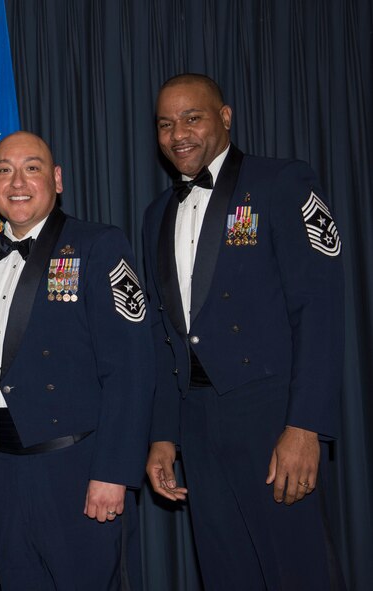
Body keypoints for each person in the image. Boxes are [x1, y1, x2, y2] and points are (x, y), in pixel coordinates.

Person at [143, 73, 345, 589]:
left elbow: (318, 308)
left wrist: (306, 427)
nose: (178, 133)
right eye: (166, 124)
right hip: (198, 425)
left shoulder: (282, 182)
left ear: (225, 116)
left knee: (295, 573)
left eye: (193, 117)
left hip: (272, 420)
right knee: (226, 574)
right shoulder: (156, 215)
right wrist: (164, 435)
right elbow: (165, 339)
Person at [0, 131, 154, 590]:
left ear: (57, 179)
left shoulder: (99, 246)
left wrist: (113, 472)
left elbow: (131, 367)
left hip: (78, 469)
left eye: (31, 168)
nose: (18, 182)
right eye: (5, 171)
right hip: (5, 472)